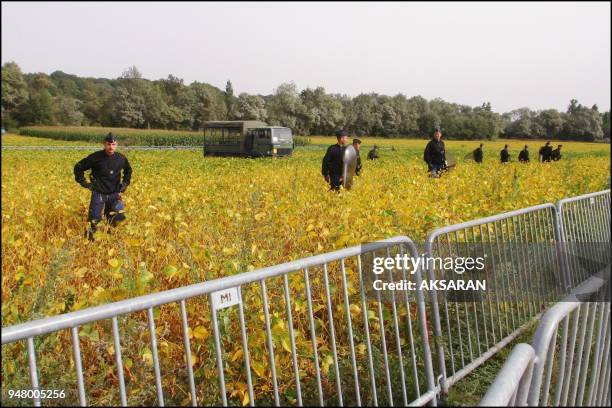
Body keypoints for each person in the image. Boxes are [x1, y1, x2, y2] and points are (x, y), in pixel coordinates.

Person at [74, 133, 132, 241]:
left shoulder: (121, 158)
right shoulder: (95, 157)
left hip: (114, 193)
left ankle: (111, 239)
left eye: (113, 144)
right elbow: (78, 167)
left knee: (118, 217)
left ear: (116, 145)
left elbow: (128, 170)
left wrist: (125, 183)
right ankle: (90, 243)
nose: (111, 147)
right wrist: (85, 183)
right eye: (108, 144)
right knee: (94, 220)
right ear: (104, 144)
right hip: (98, 193)